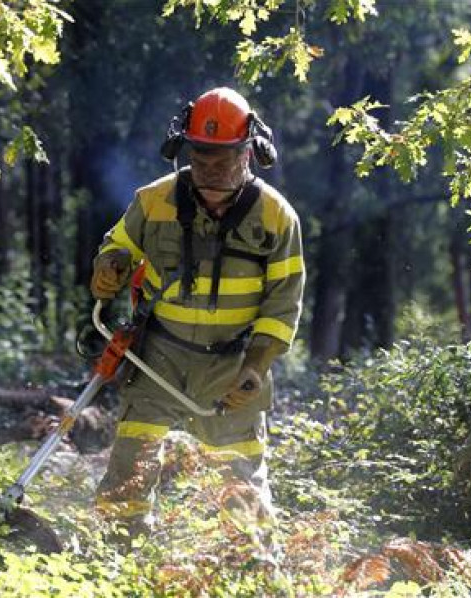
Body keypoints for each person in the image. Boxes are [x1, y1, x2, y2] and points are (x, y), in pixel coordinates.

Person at [89, 87, 305, 552]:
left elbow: (284, 305)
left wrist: (255, 368)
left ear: (249, 152)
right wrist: (108, 269)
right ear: (184, 149)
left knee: (240, 483)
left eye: (222, 159)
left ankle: (254, 570)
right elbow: (118, 246)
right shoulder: (153, 201)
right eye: (200, 157)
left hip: (232, 364)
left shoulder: (276, 217)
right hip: (157, 358)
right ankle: (115, 561)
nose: (209, 170)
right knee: (130, 464)